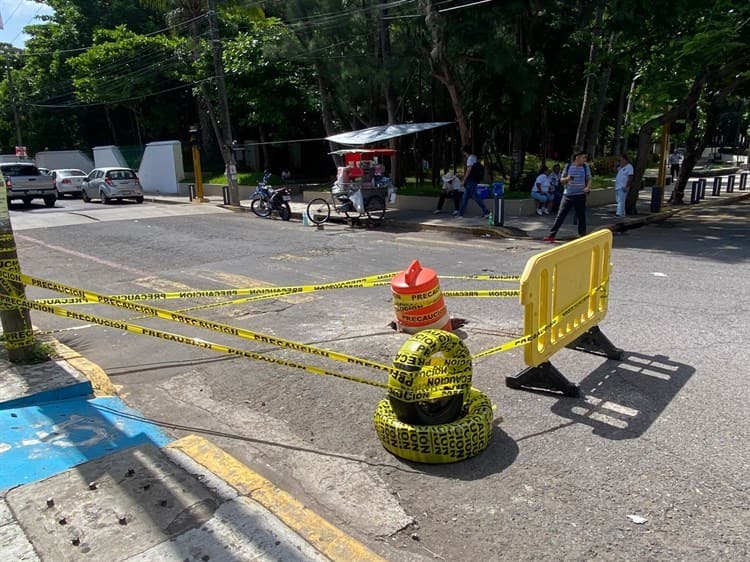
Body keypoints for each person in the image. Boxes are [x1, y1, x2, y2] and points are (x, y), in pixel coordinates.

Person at [543, 151, 592, 243]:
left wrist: (587, 187)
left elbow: (589, 178)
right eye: (583, 158)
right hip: (568, 195)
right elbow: (561, 180)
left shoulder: (585, 167)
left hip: (580, 195)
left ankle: (582, 236)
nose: (584, 160)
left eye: (585, 158)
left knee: (581, 216)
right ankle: (551, 235)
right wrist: (568, 178)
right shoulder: (568, 166)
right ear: (577, 157)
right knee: (560, 215)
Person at [455, 145, 490, 218]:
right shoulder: (474, 157)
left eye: (463, 152)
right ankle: (460, 214)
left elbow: (468, 170)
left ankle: (486, 211)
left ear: (465, 152)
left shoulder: (470, 159)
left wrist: (463, 180)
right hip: (474, 180)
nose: (463, 154)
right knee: (465, 197)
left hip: (471, 180)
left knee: (475, 197)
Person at [614, 153, 634, 217]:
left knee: (621, 200)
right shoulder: (621, 167)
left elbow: (630, 177)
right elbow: (615, 171)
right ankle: (622, 213)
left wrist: (627, 186)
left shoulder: (629, 167)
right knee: (619, 200)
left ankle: (619, 213)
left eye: (621, 160)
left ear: (625, 160)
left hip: (623, 186)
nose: (620, 162)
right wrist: (616, 165)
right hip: (618, 186)